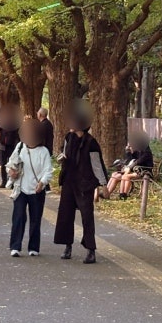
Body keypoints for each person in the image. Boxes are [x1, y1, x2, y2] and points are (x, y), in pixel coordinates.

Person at [53, 113, 108, 264]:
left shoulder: (91, 143)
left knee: (87, 216)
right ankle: (67, 246)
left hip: (85, 183)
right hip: (69, 181)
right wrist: (60, 159)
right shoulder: (68, 138)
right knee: (65, 215)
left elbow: (97, 165)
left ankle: (91, 250)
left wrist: (104, 185)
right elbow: (63, 153)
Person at [6, 118, 54, 257]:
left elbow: (48, 170)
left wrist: (42, 182)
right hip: (20, 188)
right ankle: (15, 246)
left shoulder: (43, 151)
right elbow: (10, 164)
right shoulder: (20, 147)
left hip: (37, 190)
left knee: (35, 219)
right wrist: (11, 171)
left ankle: (34, 247)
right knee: (19, 217)